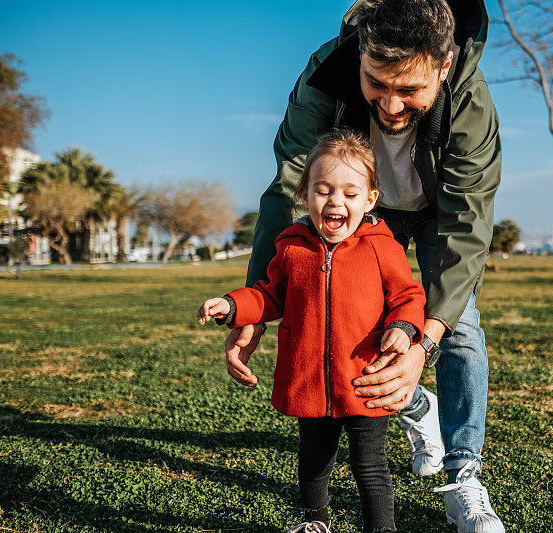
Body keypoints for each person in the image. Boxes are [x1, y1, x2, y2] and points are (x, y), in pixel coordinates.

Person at [226, 1, 504, 531]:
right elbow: (289, 190)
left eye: (410, 90)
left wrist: (426, 342)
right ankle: (416, 407)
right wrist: (253, 308)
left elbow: (466, 223)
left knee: (461, 329)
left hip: (436, 213)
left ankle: (463, 475)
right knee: (355, 327)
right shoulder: (325, 76)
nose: (393, 106)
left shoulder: (470, 102)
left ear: (444, 66)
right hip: (357, 212)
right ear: (361, 54)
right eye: (378, 84)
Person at [198, 130, 426, 533]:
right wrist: (232, 306)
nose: (336, 201)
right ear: (305, 194)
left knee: (369, 465)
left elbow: (408, 295)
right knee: (314, 458)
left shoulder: (381, 246)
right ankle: (315, 522)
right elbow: (269, 297)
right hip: (309, 380)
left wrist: (404, 327)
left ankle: (382, 529)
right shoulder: (292, 246)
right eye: (323, 190)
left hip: (364, 378)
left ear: (370, 199)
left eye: (350, 194)